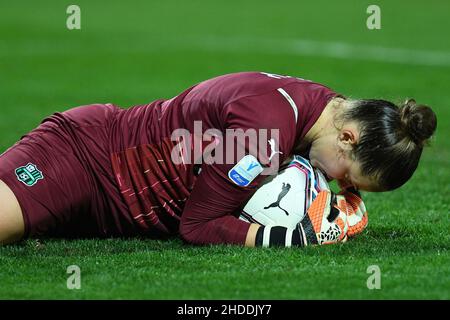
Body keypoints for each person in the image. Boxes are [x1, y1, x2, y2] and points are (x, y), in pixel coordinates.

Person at [0, 71, 437, 246]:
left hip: (112, 202)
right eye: (352, 179)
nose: (343, 190)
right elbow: (198, 225)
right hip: (81, 162)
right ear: (347, 136)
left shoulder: (321, 106)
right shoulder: (263, 134)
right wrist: (291, 238)